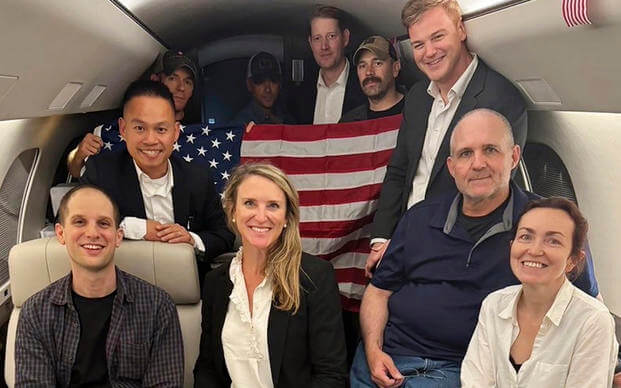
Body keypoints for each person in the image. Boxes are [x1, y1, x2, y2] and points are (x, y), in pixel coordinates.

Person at [351, 109, 599, 388]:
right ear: (451, 166)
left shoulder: (549, 224)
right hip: (385, 360)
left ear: (514, 157)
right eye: (466, 154)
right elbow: (379, 291)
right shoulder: (419, 217)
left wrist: (612, 365)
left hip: (465, 368)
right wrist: (373, 351)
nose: (478, 163)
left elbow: (588, 305)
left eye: (490, 150)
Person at [366, 0, 528, 276]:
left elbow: (488, 195)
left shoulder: (500, 99)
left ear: (461, 31)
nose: (429, 52)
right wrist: (381, 239)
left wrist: (420, 244)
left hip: (457, 250)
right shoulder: (417, 98)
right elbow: (399, 171)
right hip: (402, 241)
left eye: (438, 37)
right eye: (418, 45)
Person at [193, 163, 347, 387]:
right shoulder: (215, 282)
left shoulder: (314, 277)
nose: (261, 216)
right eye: (249, 203)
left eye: (273, 206)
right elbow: (207, 369)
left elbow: (331, 375)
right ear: (233, 211)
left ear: (286, 217)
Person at [15, 184, 184, 386]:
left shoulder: (157, 306)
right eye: (79, 222)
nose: (93, 233)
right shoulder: (35, 312)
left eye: (103, 223)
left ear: (118, 236)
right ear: (60, 233)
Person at [81, 80, 234, 280]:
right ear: (123, 129)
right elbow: (73, 222)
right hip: (123, 287)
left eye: (161, 130)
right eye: (139, 128)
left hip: (186, 287)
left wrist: (192, 239)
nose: (151, 140)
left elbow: (224, 235)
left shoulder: (197, 176)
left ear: (176, 132)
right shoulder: (101, 172)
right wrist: (139, 228)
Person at [461, 197, 618, 387]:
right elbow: (475, 383)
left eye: (553, 241)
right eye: (526, 237)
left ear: (573, 260)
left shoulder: (593, 320)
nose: (534, 250)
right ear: (512, 246)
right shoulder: (494, 305)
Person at [67, 49, 199, 178]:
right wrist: (79, 154)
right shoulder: (116, 130)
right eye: (172, 78)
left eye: (188, 82)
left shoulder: (200, 136)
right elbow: (77, 172)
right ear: (155, 80)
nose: (181, 88)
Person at [289, 5, 365, 124]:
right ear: (310, 43)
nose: (324, 46)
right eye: (317, 38)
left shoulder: (365, 86)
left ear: (345, 38)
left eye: (331, 36)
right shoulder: (300, 95)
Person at [340, 35, 404, 122]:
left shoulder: (418, 111)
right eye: (362, 66)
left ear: (395, 68)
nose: (369, 72)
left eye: (377, 63)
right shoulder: (348, 123)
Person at [230, 51, 295, 126]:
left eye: (273, 80)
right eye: (260, 81)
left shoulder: (288, 120)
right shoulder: (239, 125)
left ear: (280, 84)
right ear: (249, 85)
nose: (268, 89)